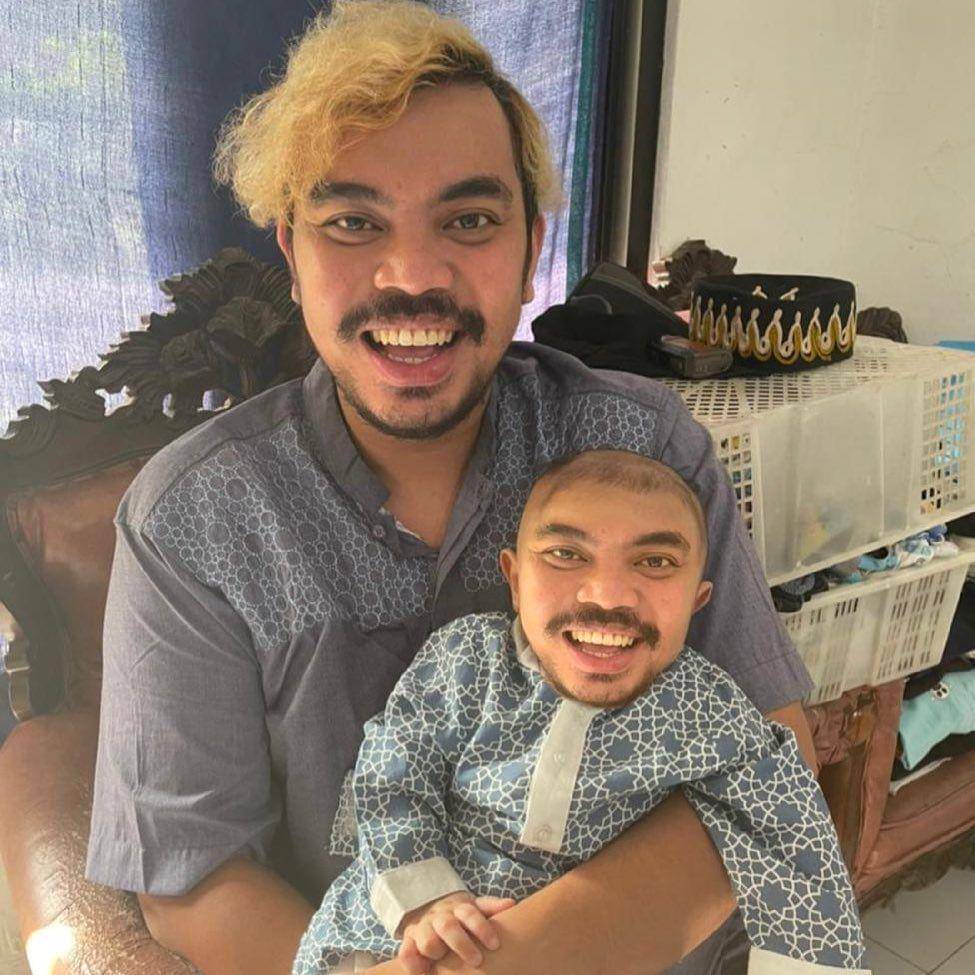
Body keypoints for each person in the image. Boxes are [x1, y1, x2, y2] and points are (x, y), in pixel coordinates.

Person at [85, 3, 818, 974]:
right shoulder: (195, 520)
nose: (411, 276)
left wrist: (533, 960)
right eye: (352, 222)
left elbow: (769, 753)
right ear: (292, 251)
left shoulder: (644, 448)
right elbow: (190, 875)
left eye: (469, 220)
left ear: (530, 249)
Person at [292, 451, 867, 975]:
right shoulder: (464, 660)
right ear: (515, 580)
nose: (607, 595)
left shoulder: (709, 710)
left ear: (697, 601)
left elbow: (791, 830)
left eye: (656, 561)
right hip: (389, 934)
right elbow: (391, 775)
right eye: (566, 555)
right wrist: (425, 899)